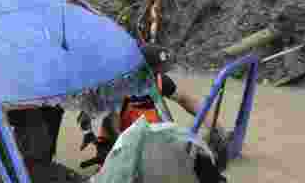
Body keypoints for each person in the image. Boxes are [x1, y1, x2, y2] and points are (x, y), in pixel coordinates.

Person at [87, 44, 229, 169]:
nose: (159, 74)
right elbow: (113, 126)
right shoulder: (118, 88)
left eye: (160, 71)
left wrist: (213, 124)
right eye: (156, 71)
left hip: (145, 138)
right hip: (116, 144)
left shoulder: (158, 80)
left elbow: (186, 100)